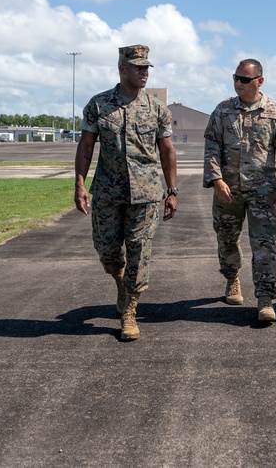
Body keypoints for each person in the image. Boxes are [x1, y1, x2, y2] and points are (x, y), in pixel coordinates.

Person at [74, 44, 178, 341]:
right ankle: (120, 280)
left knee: (139, 248)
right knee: (107, 251)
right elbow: (86, 147)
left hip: (146, 193)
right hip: (107, 191)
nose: (144, 72)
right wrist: (80, 184)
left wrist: (172, 191)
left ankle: (130, 309)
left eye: (147, 68)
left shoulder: (157, 109)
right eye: (138, 67)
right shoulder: (98, 104)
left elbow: (167, 151)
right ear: (122, 69)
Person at [203, 59, 276, 323]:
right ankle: (232, 279)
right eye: (236, 78)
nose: (238, 83)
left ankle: (265, 299)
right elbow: (211, 148)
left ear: (259, 81)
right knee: (227, 238)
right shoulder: (222, 111)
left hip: (262, 193)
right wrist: (216, 180)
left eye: (244, 79)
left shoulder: (275, 112)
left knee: (265, 245)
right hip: (227, 190)